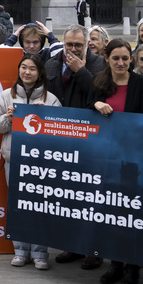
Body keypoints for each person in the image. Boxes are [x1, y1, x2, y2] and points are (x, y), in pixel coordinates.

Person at [90, 38, 143, 284]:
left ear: (131, 59)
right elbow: (85, 111)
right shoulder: (99, 82)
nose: (121, 62)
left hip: (133, 160)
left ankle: (132, 267)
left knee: (131, 214)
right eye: (115, 58)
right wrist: (95, 104)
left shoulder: (142, 84)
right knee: (110, 214)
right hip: (104, 159)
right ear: (106, 58)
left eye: (125, 58)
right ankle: (115, 263)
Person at [0, 53, 60, 270]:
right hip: (14, 160)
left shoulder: (51, 99)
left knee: (40, 207)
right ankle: (20, 250)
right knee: (17, 205)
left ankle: (40, 252)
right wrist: (8, 119)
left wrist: (44, 116)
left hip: (41, 164)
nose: (27, 72)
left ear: (40, 74)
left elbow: (59, 132)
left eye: (32, 69)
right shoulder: (5, 96)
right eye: (24, 68)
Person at [45, 25, 106, 270]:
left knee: (89, 197)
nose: (72, 49)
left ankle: (93, 250)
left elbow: (100, 93)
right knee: (66, 197)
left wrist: (80, 71)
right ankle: (71, 245)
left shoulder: (98, 64)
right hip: (59, 139)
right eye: (69, 44)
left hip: (89, 140)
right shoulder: (51, 63)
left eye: (78, 45)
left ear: (86, 45)